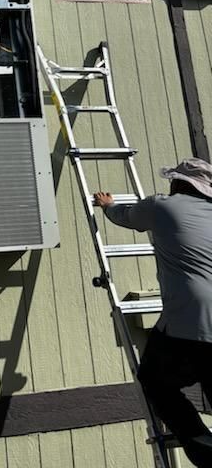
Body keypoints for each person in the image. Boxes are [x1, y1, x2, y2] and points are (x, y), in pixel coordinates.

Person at [93, 158, 212, 468]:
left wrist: (108, 206)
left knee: (154, 379)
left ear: (176, 184)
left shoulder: (161, 207)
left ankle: (205, 450)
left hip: (190, 318)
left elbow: (126, 217)